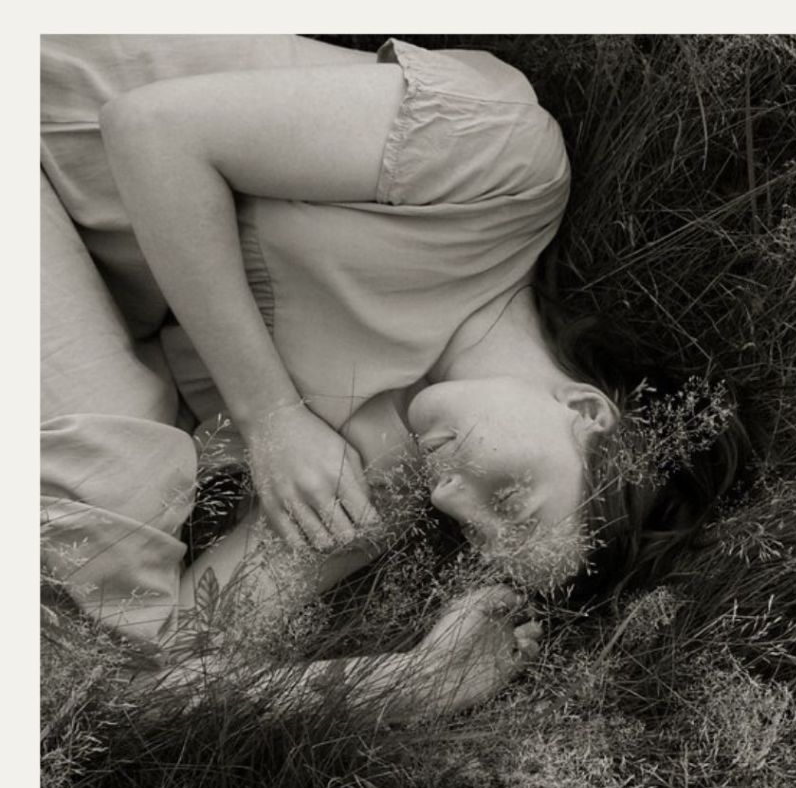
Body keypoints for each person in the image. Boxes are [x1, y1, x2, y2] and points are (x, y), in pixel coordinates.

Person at [41, 35, 741, 720]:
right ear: (586, 411)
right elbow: (151, 128)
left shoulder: (387, 479)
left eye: (478, 536)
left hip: (74, 282)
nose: (448, 498)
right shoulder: (508, 171)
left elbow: (150, 667)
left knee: (108, 598)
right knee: (116, 479)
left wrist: (402, 683)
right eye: (510, 499)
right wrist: (273, 416)